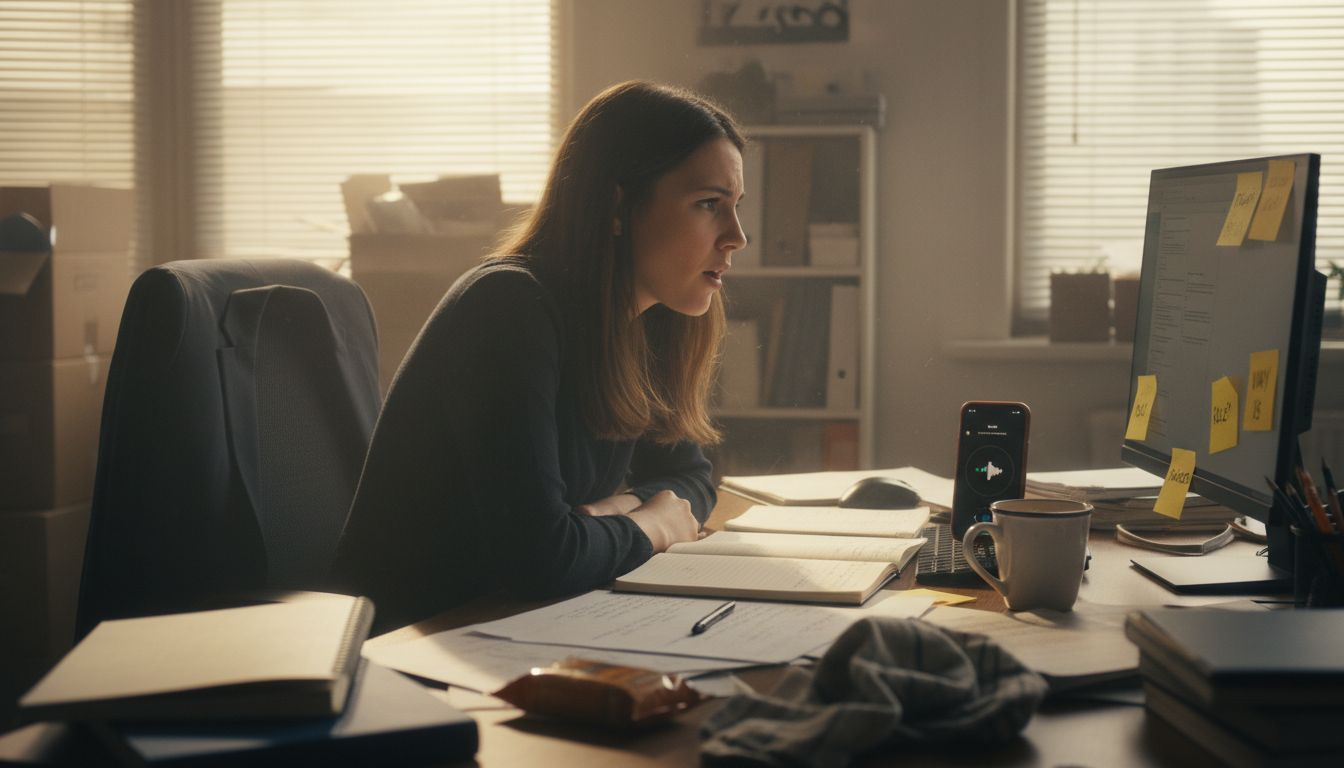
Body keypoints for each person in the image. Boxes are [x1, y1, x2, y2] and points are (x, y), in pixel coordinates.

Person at [330, 81, 748, 630]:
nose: (736, 236)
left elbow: (690, 475)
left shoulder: (652, 319)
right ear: (618, 206)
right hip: (413, 641)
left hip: (520, 622)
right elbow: (542, 559)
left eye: (735, 208)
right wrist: (654, 526)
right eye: (708, 205)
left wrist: (619, 510)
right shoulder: (508, 307)